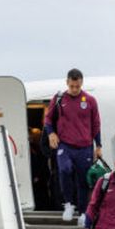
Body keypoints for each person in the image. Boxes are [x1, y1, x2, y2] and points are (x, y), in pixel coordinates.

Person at [43, 68, 102, 219]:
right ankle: (68, 204)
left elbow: (96, 124)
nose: (75, 89)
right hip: (65, 145)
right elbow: (48, 119)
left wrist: (99, 145)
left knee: (83, 180)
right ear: (67, 83)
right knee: (64, 170)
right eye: (72, 86)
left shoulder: (90, 101)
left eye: (78, 86)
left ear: (81, 83)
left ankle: (83, 212)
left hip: (85, 147)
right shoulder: (59, 98)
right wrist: (51, 133)